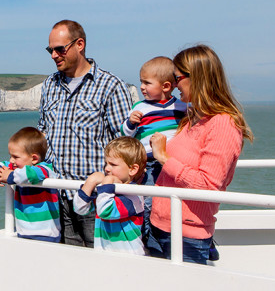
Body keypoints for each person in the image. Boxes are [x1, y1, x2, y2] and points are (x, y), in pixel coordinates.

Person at [147, 44, 254, 264]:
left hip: (185, 236)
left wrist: (164, 157)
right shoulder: (194, 119)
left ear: (196, 77)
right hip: (160, 229)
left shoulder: (222, 124)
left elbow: (209, 186)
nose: (174, 85)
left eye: (177, 78)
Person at [37, 20, 134, 247]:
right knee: (70, 269)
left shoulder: (111, 86)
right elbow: (42, 133)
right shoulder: (49, 85)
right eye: (50, 50)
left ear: (79, 44)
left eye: (59, 49)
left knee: (101, 267)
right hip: (57, 198)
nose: (53, 55)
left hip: (94, 199)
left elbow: (126, 145)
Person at [119, 56, 187, 243]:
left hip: (172, 162)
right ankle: (148, 237)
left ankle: (170, 236)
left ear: (166, 86)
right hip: (149, 164)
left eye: (147, 83)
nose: (142, 87)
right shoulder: (140, 108)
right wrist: (130, 123)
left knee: (173, 202)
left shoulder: (181, 107)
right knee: (148, 202)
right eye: (141, 82)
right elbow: (126, 135)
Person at [73, 137, 147, 255]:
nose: (107, 168)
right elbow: (79, 208)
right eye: (106, 163)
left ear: (132, 169)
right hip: (105, 255)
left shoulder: (134, 195)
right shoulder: (106, 192)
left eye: (113, 164)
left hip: (129, 258)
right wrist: (90, 182)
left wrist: (107, 182)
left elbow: (106, 211)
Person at [0, 127, 61, 242]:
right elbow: (0, 164)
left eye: (15, 157)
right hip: (23, 232)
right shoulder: (16, 167)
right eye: (10, 156)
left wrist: (8, 176)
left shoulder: (45, 169)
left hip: (47, 234)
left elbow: (29, 175)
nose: (11, 161)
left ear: (34, 158)